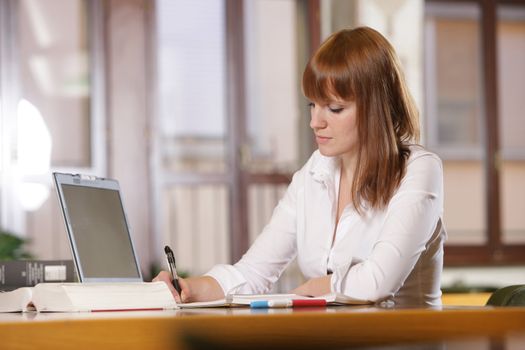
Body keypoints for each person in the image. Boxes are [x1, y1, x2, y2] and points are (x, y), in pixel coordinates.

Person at [154, 26, 446, 306]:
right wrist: (190, 288)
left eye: (334, 108)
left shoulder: (418, 171)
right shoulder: (315, 173)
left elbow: (378, 281)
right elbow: (253, 272)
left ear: (376, 108)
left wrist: (315, 288)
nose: (315, 122)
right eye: (312, 105)